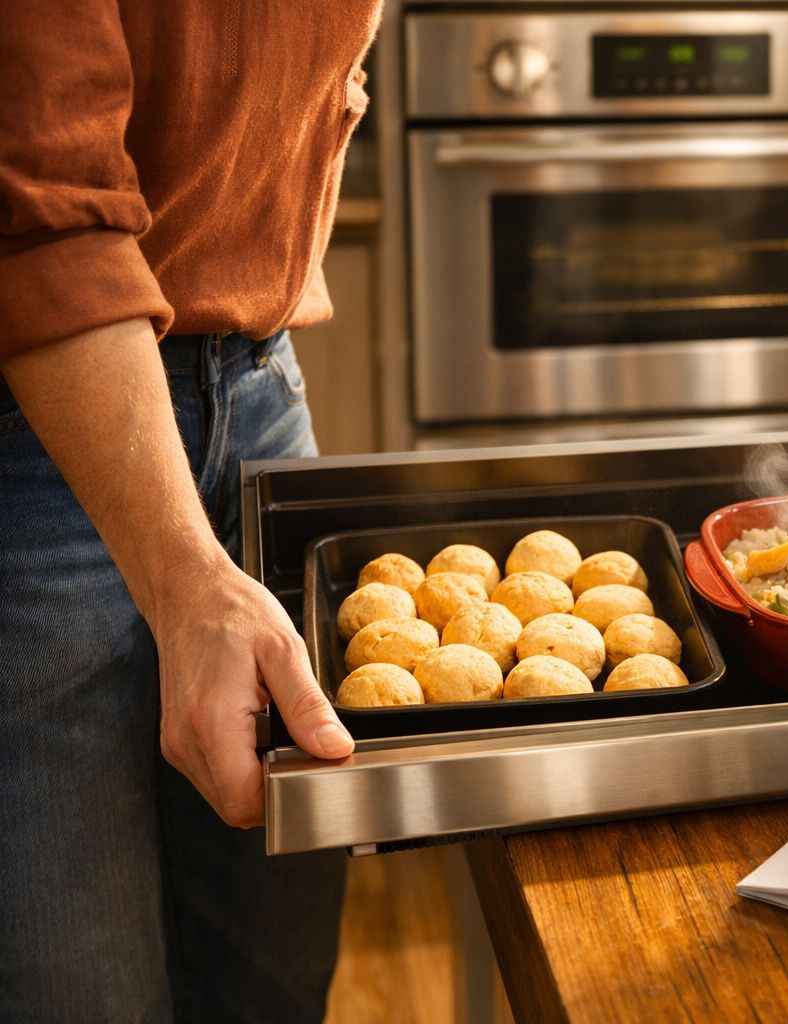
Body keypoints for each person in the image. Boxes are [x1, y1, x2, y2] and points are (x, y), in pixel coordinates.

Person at [1, 3, 382, 1019]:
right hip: (43, 415)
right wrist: (183, 574)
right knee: (79, 992)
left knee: (274, 979)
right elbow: (35, 191)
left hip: (259, 382)